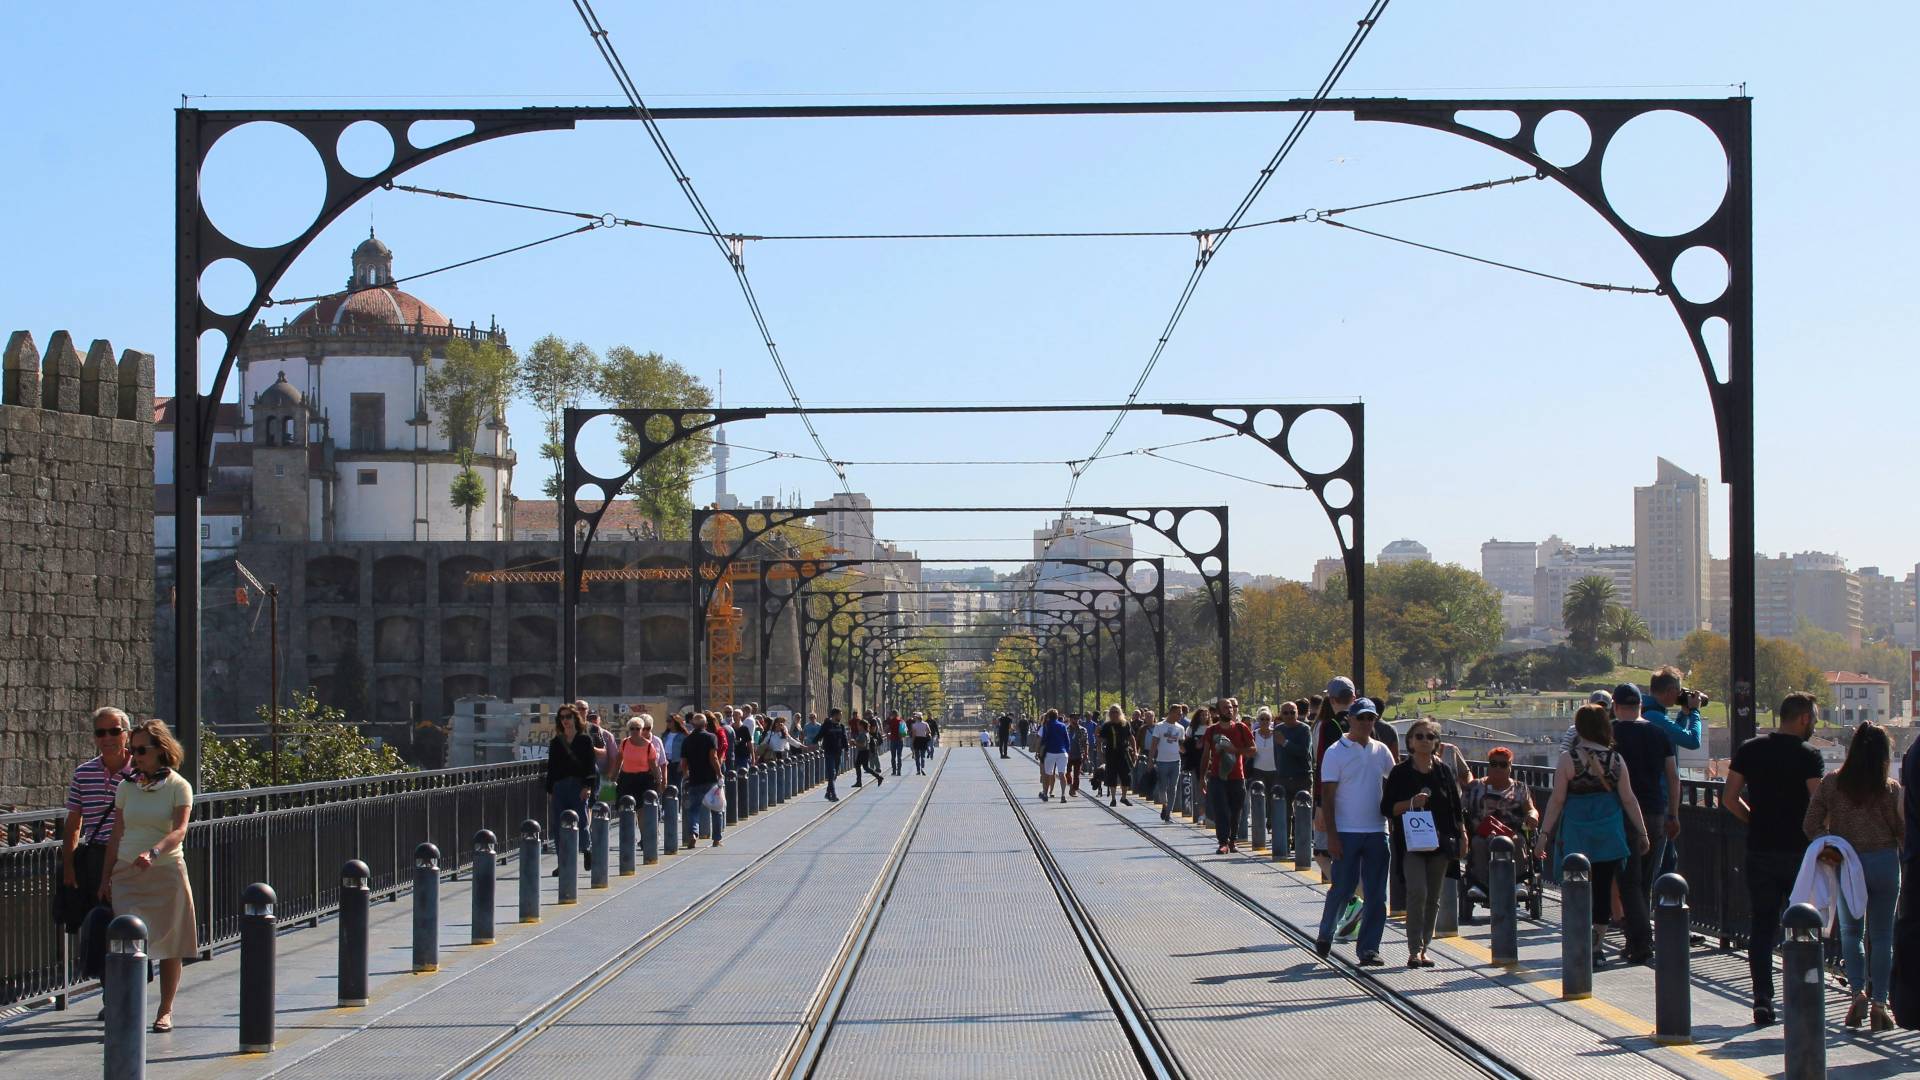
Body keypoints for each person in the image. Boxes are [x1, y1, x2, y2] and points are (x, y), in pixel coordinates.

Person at [1723, 690, 1825, 1025]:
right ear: (1804, 718)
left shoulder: (1750, 749)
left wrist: (1752, 817)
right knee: (1802, 926)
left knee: (1762, 926)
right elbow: (1818, 804)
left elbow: (1729, 798)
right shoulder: (1809, 756)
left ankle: (1763, 998)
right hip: (1799, 853)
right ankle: (1800, 995)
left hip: (1760, 850)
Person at [1803, 721, 1903, 1030]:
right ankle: (1880, 1003)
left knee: (1851, 932)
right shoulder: (1889, 788)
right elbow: (1902, 831)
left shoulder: (1833, 783)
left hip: (1848, 863)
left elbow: (1810, 824)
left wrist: (1831, 847)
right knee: (1883, 936)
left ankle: (1857, 992)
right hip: (1885, 862)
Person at [1535, 704, 1651, 967]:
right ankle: (1597, 946)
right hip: (1609, 832)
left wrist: (1544, 834)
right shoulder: (1616, 760)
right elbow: (1629, 799)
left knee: (1576, 888)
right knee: (1602, 889)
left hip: (1577, 832)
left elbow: (1557, 800)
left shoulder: (1569, 760)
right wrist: (1642, 832)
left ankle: (1578, 938)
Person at [99, 719, 195, 1034]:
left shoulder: (179, 786)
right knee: (125, 941)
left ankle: (165, 1011)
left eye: (141, 750)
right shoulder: (126, 787)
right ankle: (126, 1006)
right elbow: (116, 833)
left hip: (165, 870)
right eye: (133, 749)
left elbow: (179, 830)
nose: (135, 755)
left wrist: (153, 853)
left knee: (169, 944)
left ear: (160, 751)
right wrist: (106, 876)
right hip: (127, 871)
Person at [1314, 698, 1395, 966]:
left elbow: (1394, 783)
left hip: (1376, 831)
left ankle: (1369, 948)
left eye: (1370, 718)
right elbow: (1328, 795)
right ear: (1349, 718)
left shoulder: (1381, 751)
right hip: (1347, 832)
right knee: (1343, 887)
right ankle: (1325, 933)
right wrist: (1333, 836)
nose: (1366, 723)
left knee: (1376, 894)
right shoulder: (1336, 751)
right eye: (1361, 718)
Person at [1385, 719, 1467, 968]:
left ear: (1436, 743)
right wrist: (1411, 803)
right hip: (1411, 843)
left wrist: (1463, 834)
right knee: (1417, 891)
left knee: (1433, 896)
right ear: (1409, 741)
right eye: (1419, 736)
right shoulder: (1400, 772)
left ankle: (1425, 948)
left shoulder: (1443, 771)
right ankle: (1413, 948)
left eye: (1430, 737)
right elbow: (1387, 807)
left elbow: (1455, 806)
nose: (1424, 741)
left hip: (1440, 842)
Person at [1610, 683, 1680, 935]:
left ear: (1615, 706)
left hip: (1618, 814)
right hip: (1654, 812)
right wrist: (1673, 814)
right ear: (1640, 705)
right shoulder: (1659, 734)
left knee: (1626, 880)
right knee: (1646, 879)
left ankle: (1637, 936)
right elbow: (1673, 777)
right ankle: (1642, 932)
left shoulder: (1609, 734)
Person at [61, 707, 136, 937]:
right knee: (100, 921)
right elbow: (74, 824)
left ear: (127, 735)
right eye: (100, 733)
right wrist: (69, 867)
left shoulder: (140, 772)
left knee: (130, 921)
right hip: (96, 857)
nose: (107, 738)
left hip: (130, 856)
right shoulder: (83, 773)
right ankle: (106, 972)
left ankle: (133, 971)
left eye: (114, 731)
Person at [1464, 746, 1540, 894]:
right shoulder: (1475, 787)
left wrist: (1532, 816)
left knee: (1518, 841)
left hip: (1511, 832)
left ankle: (1519, 882)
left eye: (1503, 764)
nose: (1498, 768)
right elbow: (1460, 808)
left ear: (1510, 767)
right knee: (1478, 843)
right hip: (1482, 832)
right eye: (1494, 764)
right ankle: (1480, 885)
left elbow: (1531, 809)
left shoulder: (1519, 788)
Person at [545, 705, 598, 874]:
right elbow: (551, 768)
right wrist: (550, 790)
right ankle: (564, 862)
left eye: (568, 717)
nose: (565, 720)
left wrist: (587, 786)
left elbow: (590, 765)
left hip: (578, 785)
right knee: (559, 825)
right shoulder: (556, 742)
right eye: (562, 718)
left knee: (581, 820)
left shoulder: (584, 740)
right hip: (560, 786)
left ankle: (587, 850)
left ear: (575, 718)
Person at [1205, 702, 1255, 853]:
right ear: (1218, 711)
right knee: (1221, 810)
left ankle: (1232, 840)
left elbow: (1252, 750)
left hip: (1237, 777)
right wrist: (1202, 778)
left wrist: (1234, 750)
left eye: (1231, 708)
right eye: (1225, 708)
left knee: (1235, 811)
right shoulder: (1212, 730)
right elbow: (1205, 754)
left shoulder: (1241, 728)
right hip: (1217, 777)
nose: (1229, 710)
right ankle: (1222, 842)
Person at [680, 714, 724, 848]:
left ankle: (694, 833)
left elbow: (684, 762)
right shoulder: (711, 737)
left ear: (693, 725)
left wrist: (686, 774)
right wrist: (719, 773)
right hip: (710, 779)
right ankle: (716, 839)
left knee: (694, 809)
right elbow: (713, 758)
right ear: (705, 725)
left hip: (694, 779)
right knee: (716, 809)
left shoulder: (687, 740)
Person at [1275, 701, 1313, 829]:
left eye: (1292, 712)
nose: (1289, 715)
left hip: (1301, 777)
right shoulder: (1278, 729)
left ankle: (1300, 843)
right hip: (1283, 777)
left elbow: (1303, 751)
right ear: (1281, 715)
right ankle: (1285, 842)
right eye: (1286, 713)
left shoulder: (1304, 729)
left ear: (1297, 713)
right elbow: (1277, 754)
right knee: (1284, 814)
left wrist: (1285, 742)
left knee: (1302, 812)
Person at [1147, 707, 1187, 822]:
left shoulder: (1180, 728)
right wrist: (1150, 760)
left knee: (1173, 788)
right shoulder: (1159, 726)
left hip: (1176, 761)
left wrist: (1188, 754)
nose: (1180, 716)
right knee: (1162, 787)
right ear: (1172, 713)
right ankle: (1164, 805)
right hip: (1162, 761)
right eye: (1179, 714)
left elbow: (1181, 745)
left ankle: (1168, 813)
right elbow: (1154, 744)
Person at [613, 715, 661, 807]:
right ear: (629, 729)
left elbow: (653, 766)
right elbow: (619, 760)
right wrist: (614, 776)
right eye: (632, 728)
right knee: (625, 806)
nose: (634, 731)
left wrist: (659, 782)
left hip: (643, 779)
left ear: (642, 729)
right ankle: (629, 822)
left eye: (637, 729)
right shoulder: (624, 743)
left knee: (641, 807)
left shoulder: (649, 746)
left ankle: (640, 821)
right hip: (626, 779)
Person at [1099, 704, 1136, 808]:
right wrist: (1100, 752)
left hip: (1123, 753)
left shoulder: (1125, 724)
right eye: (1112, 712)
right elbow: (1100, 740)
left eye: (1116, 712)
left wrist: (1135, 751)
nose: (1114, 714)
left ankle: (1124, 797)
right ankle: (1113, 798)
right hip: (1111, 754)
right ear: (1109, 714)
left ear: (1120, 713)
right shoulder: (1107, 726)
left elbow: (1131, 738)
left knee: (1126, 776)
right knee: (1112, 775)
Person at [1039, 708, 1072, 802]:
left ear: (1048, 716)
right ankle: (1063, 795)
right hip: (1062, 753)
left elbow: (1044, 739)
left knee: (1047, 774)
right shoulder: (1062, 726)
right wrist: (1067, 750)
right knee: (1062, 774)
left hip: (1050, 752)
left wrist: (1040, 750)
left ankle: (1045, 793)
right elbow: (1067, 739)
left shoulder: (1046, 725)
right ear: (1057, 716)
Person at [818, 709, 849, 801]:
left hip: (838, 752)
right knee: (832, 773)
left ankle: (828, 793)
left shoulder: (841, 726)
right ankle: (833, 794)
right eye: (840, 715)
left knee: (834, 774)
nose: (841, 716)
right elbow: (820, 735)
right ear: (835, 715)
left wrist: (847, 750)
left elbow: (844, 738)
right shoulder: (827, 725)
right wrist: (813, 744)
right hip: (829, 751)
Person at [662, 713, 688, 792]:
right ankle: (668, 803)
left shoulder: (683, 735)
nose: (668, 723)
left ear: (676, 722)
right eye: (667, 721)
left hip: (677, 763)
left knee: (677, 786)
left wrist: (682, 764)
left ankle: (678, 803)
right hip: (667, 763)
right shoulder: (665, 735)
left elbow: (686, 751)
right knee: (668, 786)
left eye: (670, 721)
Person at [1066, 712, 1090, 797]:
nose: (1076, 720)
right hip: (1068, 754)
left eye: (1077, 718)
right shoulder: (1066, 729)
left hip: (1078, 754)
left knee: (1076, 775)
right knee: (1068, 773)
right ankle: (1070, 784)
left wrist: (1086, 753)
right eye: (1074, 718)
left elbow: (1086, 742)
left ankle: (1074, 790)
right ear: (1070, 719)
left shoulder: (1082, 730)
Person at [886, 711, 906, 776]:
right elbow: (905, 731)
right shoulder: (901, 721)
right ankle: (899, 771)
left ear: (893, 714)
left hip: (893, 740)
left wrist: (888, 733)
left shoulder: (891, 721)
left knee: (893, 756)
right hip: (900, 740)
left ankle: (894, 771)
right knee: (899, 756)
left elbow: (887, 730)